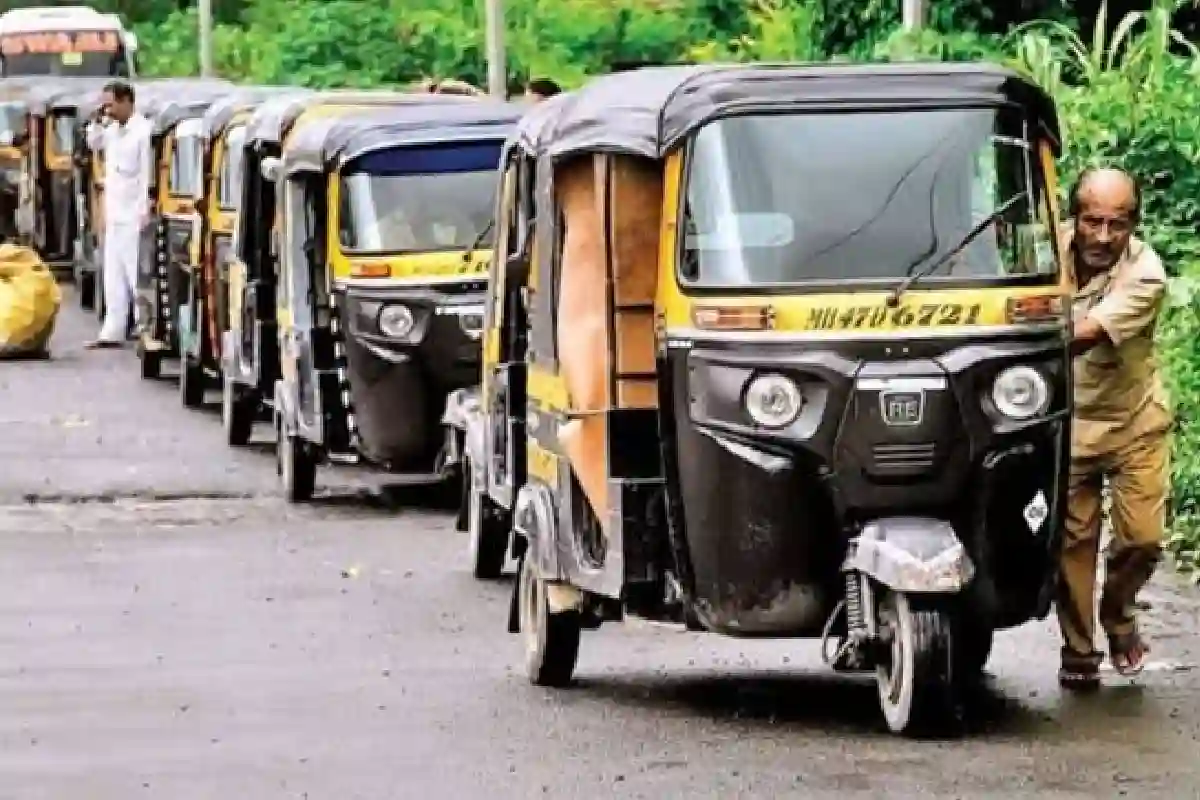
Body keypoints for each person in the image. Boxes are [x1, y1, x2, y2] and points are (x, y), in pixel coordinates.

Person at [1057, 167, 1173, 691]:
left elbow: (1083, 335)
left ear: (1134, 225)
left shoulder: (1146, 274)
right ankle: (1079, 650)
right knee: (1072, 542)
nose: (1103, 237)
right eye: (1093, 221)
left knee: (1142, 539)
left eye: (1118, 225)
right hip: (1067, 422)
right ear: (1074, 218)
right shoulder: (1039, 252)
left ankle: (1119, 613)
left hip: (1132, 424)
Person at [83, 80, 151, 349]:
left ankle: (145, 328)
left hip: (134, 214)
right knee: (113, 275)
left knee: (136, 275)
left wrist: (144, 209)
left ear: (126, 101)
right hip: (114, 212)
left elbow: (146, 174)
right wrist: (96, 119)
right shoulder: (111, 132)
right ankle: (113, 329)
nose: (108, 110)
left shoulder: (142, 132)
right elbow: (93, 142)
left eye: (110, 104)